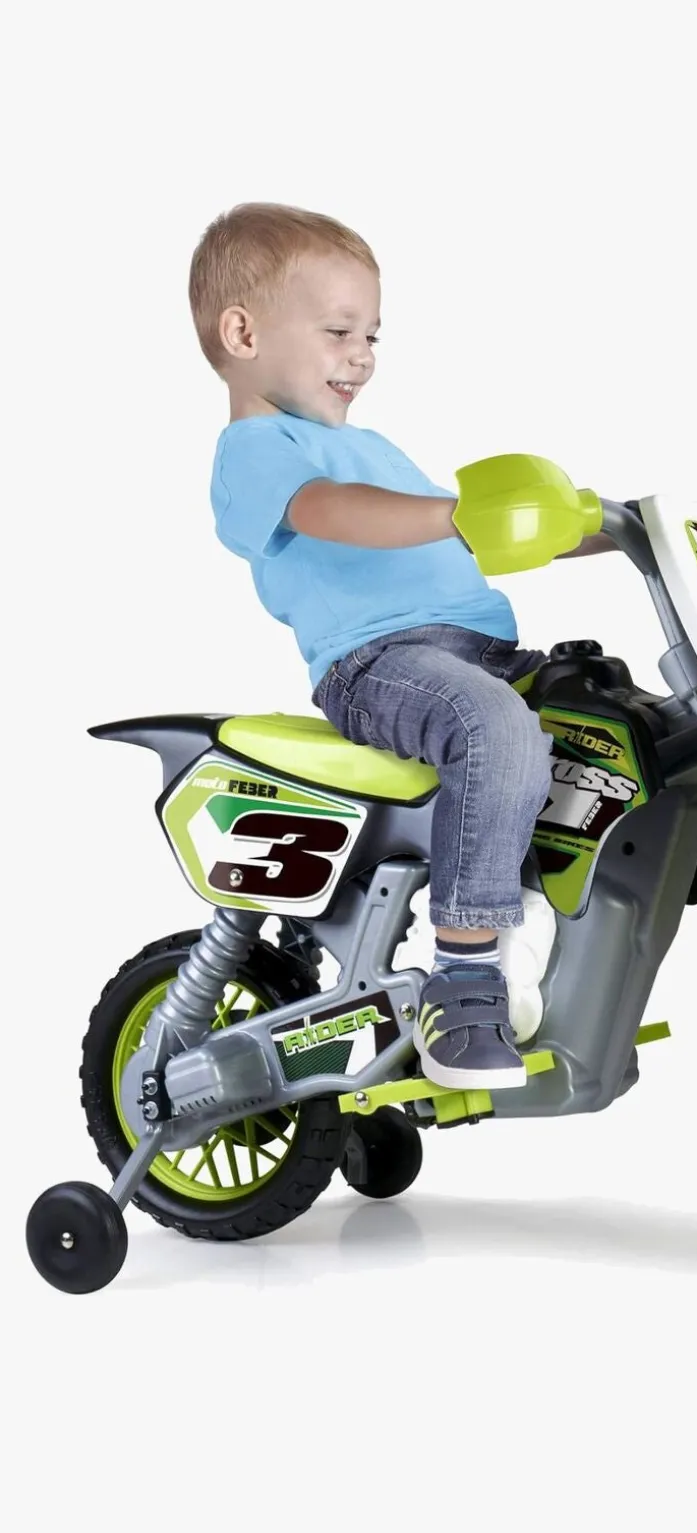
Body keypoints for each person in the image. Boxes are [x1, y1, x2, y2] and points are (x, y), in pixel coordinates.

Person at [188, 202, 614, 1091]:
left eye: (372, 336)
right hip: (380, 662)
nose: (363, 356)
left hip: (479, 650)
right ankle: (463, 979)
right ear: (243, 333)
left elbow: (471, 531)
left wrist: (636, 524)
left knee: (615, 721)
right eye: (340, 331)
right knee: (493, 725)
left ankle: (538, 914)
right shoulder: (256, 449)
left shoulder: (372, 446)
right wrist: (458, 511)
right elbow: (333, 514)